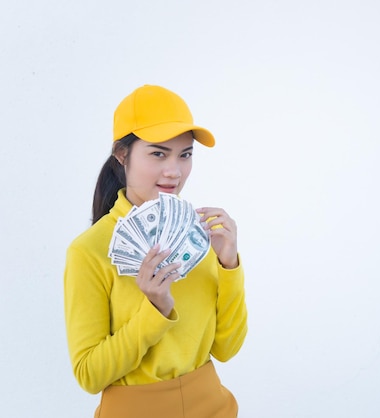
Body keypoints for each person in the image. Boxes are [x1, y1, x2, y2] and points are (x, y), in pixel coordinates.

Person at [64, 84, 248, 418]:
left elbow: (227, 348)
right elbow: (89, 375)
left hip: (213, 408)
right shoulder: (89, 251)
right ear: (122, 154)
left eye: (185, 154)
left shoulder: (198, 238)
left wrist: (229, 265)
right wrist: (155, 310)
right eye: (158, 153)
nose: (174, 172)